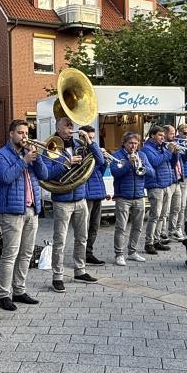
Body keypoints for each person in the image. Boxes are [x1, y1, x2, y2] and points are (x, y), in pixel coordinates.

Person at [0, 120, 56, 311]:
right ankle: (4, 295)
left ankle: (19, 290)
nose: (24, 136)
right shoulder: (0, 154)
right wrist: (24, 161)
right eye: (20, 132)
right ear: (11, 134)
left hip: (31, 209)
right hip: (11, 211)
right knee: (10, 253)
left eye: (26, 133)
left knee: (26, 253)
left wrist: (37, 158)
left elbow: (44, 175)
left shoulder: (29, 153)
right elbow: (5, 178)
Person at [49, 117, 97, 293]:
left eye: (72, 125)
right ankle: (57, 276)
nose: (71, 128)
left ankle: (80, 271)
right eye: (67, 125)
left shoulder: (80, 144)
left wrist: (89, 141)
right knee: (59, 241)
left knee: (82, 238)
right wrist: (66, 164)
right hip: (62, 201)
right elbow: (46, 174)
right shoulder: (50, 146)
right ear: (58, 128)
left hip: (80, 198)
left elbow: (99, 160)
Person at [110, 132, 153, 266]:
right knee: (121, 228)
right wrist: (129, 163)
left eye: (136, 143)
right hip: (123, 196)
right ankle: (119, 254)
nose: (133, 146)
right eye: (130, 143)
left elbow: (152, 173)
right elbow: (115, 173)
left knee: (138, 227)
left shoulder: (142, 155)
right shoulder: (117, 156)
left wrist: (142, 166)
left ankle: (132, 252)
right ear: (124, 143)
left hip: (139, 196)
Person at [141, 125, 176, 254]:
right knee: (154, 216)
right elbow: (155, 162)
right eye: (160, 135)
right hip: (155, 186)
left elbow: (172, 164)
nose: (163, 138)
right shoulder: (146, 149)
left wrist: (175, 153)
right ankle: (149, 243)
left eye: (163, 135)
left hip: (166, 184)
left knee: (162, 215)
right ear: (152, 135)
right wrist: (169, 152)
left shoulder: (162, 148)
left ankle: (156, 240)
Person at [80, 125, 108, 266]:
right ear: (81, 137)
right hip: (87, 193)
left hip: (97, 191)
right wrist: (99, 158)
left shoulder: (93, 149)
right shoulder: (80, 150)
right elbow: (86, 170)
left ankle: (89, 253)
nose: (91, 140)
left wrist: (105, 162)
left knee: (94, 226)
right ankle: (81, 254)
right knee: (84, 227)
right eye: (88, 137)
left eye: (92, 138)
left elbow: (99, 171)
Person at [165, 125, 187, 242]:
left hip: (178, 179)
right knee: (166, 210)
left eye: (174, 133)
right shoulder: (165, 146)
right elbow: (171, 163)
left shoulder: (175, 144)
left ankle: (172, 230)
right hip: (170, 181)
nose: (174, 135)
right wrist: (172, 151)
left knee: (177, 208)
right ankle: (162, 232)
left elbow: (184, 159)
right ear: (165, 134)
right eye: (171, 133)